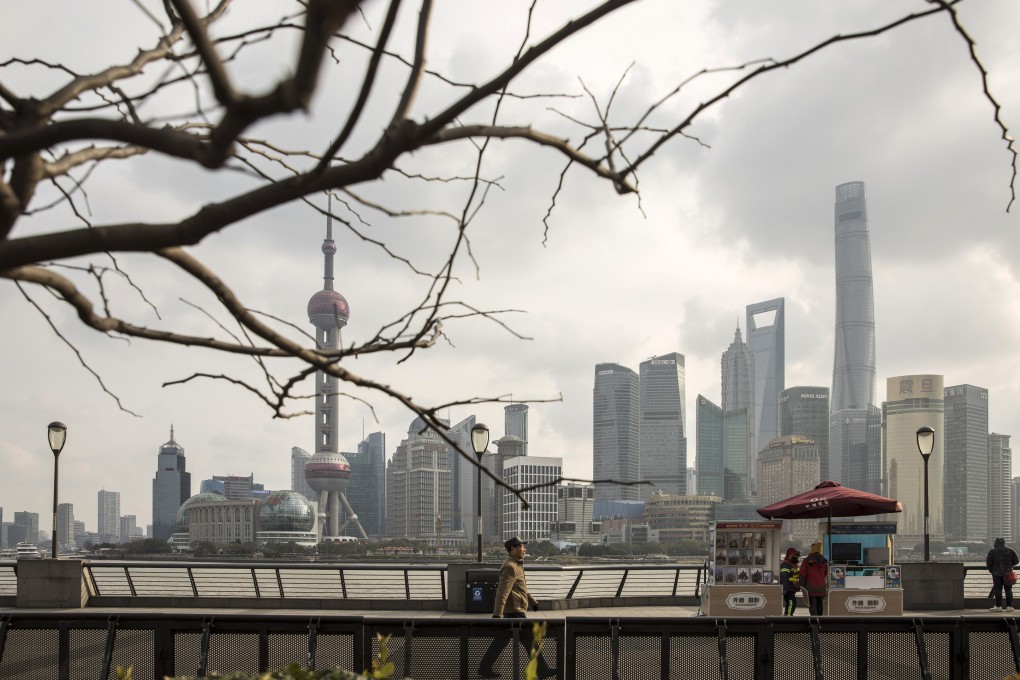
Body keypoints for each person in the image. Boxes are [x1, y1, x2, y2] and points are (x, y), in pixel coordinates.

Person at [478, 536, 555, 679]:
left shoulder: (516, 564)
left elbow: (521, 588)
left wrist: (533, 602)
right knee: (530, 640)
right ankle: (542, 670)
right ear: (512, 549)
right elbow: (503, 591)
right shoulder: (510, 567)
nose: (524, 549)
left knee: (501, 641)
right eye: (522, 546)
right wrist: (497, 614)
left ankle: (484, 667)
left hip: (515, 609)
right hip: (515, 611)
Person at [986, 537, 1019, 612]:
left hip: (996, 573)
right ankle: (1009, 607)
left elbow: (988, 563)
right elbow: (1016, 561)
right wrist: (1009, 566)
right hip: (1008, 573)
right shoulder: (1010, 551)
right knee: (1008, 590)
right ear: (1004, 543)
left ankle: (998, 606)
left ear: (996, 543)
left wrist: (992, 570)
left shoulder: (992, 551)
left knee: (998, 590)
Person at [799, 541, 829, 616]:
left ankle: (814, 621)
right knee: (820, 604)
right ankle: (820, 620)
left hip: (811, 587)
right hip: (821, 586)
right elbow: (825, 573)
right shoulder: (824, 561)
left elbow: (802, 574)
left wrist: (801, 585)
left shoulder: (806, 560)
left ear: (812, 550)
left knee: (812, 604)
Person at [779, 547, 801, 616]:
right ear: (790, 556)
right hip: (788, 588)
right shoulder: (786, 565)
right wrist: (785, 589)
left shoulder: (792, 565)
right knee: (792, 602)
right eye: (795, 557)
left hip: (791, 588)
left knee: (790, 603)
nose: (796, 559)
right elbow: (784, 577)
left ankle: (787, 614)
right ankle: (788, 616)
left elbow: (794, 576)